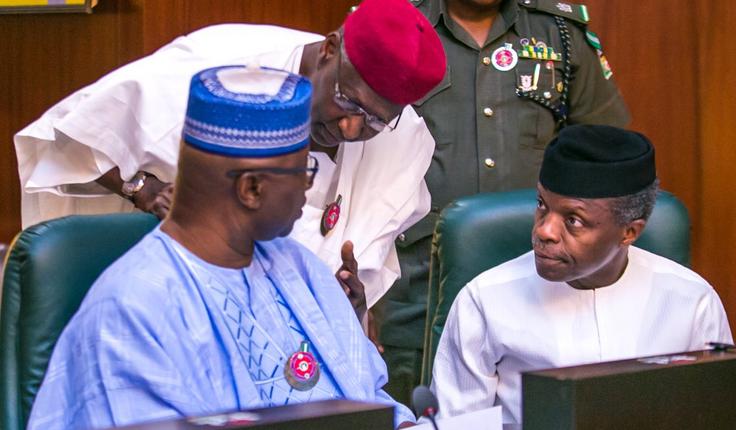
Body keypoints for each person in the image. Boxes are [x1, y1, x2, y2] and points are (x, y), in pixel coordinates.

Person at [27, 65, 416, 430]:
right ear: (251, 189)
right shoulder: (132, 313)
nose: (308, 187)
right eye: (303, 171)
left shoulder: (299, 267)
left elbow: (370, 398)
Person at [14, 0, 445, 308]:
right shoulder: (218, 69)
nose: (352, 129)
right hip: (171, 299)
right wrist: (143, 188)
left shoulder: (401, 136)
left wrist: (346, 304)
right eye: (348, 102)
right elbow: (68, 136)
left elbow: (363, 271)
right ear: (330, 50)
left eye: (373, 121)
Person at [375, 0, 630, 402]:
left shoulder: (559, 33)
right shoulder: (396, 24)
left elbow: (608, 158)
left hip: (542, 292)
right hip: (419, 295)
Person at [430, 125, 733, 424]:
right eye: (541, 206)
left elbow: (722, 413)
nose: (544, 231)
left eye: (573, 220)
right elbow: (456, 423)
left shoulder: (692, 301)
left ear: (629, 231)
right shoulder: (485, 299)